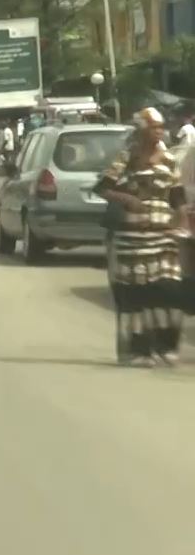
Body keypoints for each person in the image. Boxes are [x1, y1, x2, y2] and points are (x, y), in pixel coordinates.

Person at [93, 108, 186, 367]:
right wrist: (128, 199)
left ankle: (166, 346)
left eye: (161, 127)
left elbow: (176, 194)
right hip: (131, 238)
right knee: (136, 296)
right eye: (154, 126)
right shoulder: (127, 157)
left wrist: (181, 221)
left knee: (169, 290)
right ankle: (137, 351)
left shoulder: (168, 159)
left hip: (163, 236)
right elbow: (103, 188)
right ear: (142, 129)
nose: (160, 131)